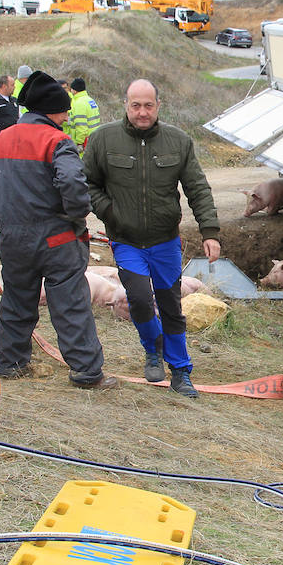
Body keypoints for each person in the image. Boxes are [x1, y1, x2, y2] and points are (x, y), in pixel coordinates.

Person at [0, 70, 117, 390]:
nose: (67, 115)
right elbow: (74, 187)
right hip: (58, 239)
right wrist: (75, 216)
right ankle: (87, 372)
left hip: (14, 239)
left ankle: (11, 363)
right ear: (52, 111)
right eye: (64, 110)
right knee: (70, 305)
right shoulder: (57, 141)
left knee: (17, 302)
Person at [83, 78, 220, 398]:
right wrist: (111, 212)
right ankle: (152, 349)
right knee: (140, 300)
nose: (142, 112)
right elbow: (86, 183)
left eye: (148, 105)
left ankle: (181, 371)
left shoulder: (178, 141)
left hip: (165, 242)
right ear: (125, 105)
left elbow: (198, 188)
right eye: (135, 105)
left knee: (171, 305)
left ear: (158, 106)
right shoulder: (104, 139)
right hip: (127, 241)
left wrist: (210, 232)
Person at [64, 77, 100, 148]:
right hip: (94, 139)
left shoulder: (79, 104)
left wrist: (79, 143)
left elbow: (81, 126)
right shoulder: (90, 100)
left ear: (74, 90)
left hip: (85, 144)